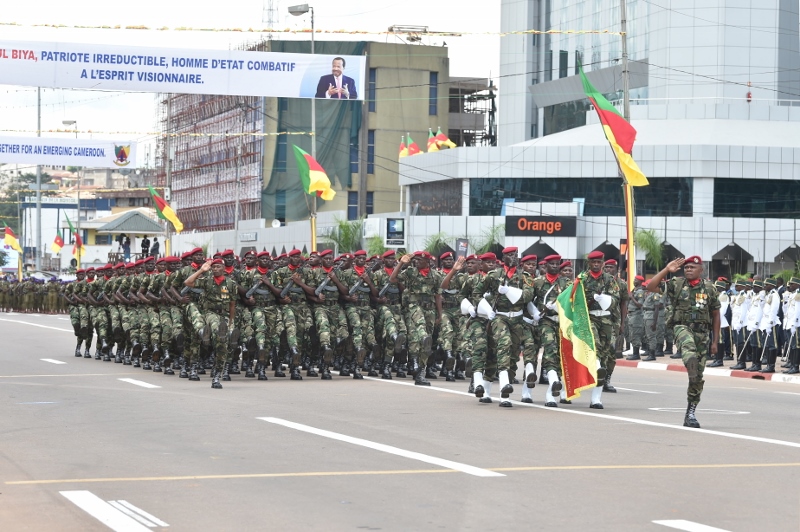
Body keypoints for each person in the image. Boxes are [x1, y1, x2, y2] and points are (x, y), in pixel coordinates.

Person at [647, 256, 720, 429]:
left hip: (702, 333)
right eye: (686, 267)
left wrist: (716, 341)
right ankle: (690, 361)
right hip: (682, 327)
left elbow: (716, 315)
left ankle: (690, 413)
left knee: (697, 378)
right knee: (688, 346)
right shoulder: (676, 284)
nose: (688, 270)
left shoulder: (709, 288)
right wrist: (666, 269)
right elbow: (650, 286)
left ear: (701, 270)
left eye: (692, 267)